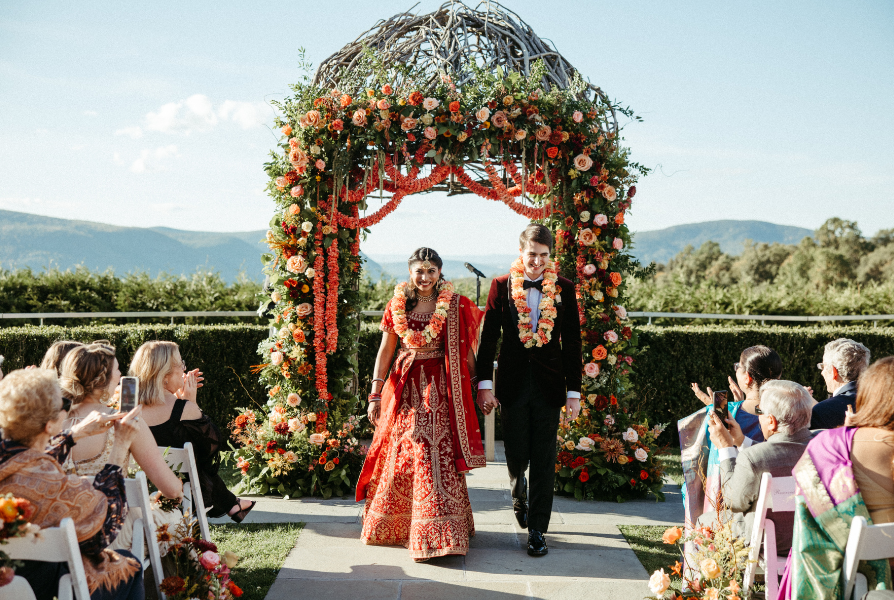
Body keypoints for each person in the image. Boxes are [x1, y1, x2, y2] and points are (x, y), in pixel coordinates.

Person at [356, 248, 485, 561]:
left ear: (440, 272)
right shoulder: (397, 303)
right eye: (419, 271)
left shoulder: (454, 304)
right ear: (410, 273)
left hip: (442, 388)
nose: (425, 277)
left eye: (431, 271)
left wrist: (479, 387)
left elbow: (468, 350)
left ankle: (441, 530)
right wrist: (375, 394)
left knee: (434, 449)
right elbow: (385, 352)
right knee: (405, 451)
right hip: (405, 387)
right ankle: (402, 526)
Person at [475, 225, 583, 557]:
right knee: (517, 453)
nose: (537, 262)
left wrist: (574, 393)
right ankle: (515, 485)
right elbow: (488, 338)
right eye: (531, 254)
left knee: (544, 458)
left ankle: (537, 530)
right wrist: (484, 385)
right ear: (521, 252)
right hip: (513, 383)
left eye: (543, 255)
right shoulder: (501, 286)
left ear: (551, 256)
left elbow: (574, 345)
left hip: (551, 386)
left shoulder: (564, 288)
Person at [0, 368, 144, 600]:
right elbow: (102, 533)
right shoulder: (55, 486)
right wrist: (120, 446)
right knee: (131, 564)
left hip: (9, 582)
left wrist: (73, 434)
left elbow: (28, 458)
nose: (67, 408)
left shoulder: (9, 462)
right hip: (52, 588)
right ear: (49, 425)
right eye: (63, 405)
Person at [778, 357, 894, 599]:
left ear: (869, 395)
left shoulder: (829, 448)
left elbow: (810, 527)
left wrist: (848, 435)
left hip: (858, 573)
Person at [59, 342, 183, 550]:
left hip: (61, 532)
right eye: (117, 370)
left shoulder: (49, 425)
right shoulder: (125, 422)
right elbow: (171, 490)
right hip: (111, 533)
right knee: (176, 518)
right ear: (103, 379)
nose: (120, 375)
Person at [131, 341, 254, 522]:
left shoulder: (128, 407)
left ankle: (233, 504)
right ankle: (232, 504)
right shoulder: (183, 409)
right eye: (181, 364)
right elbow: (211, 449)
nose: (184, 370)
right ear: (165, 375)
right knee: (197, 462)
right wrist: (190, 404)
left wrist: (179, 401)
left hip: (140, 483)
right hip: (180, 488)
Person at [678, 345, 783, 553]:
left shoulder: (724, 413)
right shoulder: (785, 414)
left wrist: (714, 409)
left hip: (729, 506)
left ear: (747, 378)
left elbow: (697, 466)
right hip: (777, 510)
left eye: (738, 366)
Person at [701, 380, 814, 556]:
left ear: (771, 421)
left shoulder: (753, 458)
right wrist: (741, 441)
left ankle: (693, 583)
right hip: (811, 539)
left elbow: (733, 502)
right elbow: (780, 453)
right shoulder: (826, 446)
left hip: (768, 541)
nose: (757, 415)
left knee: (703, 521)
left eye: (759, 411)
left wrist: (725, 448)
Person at [810, 338, 870, 430]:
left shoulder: (822, 411)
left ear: (834, 372)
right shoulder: (880, 401)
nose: (822, 372)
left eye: (823, 366)